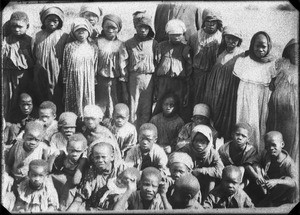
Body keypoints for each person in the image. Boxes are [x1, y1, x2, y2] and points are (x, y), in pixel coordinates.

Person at [233, 31, 277, 153]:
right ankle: (241, 150)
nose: (260, 49)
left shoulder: (272, 64)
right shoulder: (244, 61)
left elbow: (273, 83)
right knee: (245, 121)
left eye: (264, 46)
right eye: (257, 46)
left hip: (261, 100)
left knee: (259, 124)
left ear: (268, 47)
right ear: (252, 45)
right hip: (245, 99)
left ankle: (256, 151)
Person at [202, 26, 245, 140]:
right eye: (228, 38)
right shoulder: (218, 51)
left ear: (239, 40)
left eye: (235, 39)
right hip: (214, 90)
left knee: (228, 117)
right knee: (213, 114)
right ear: (224, 38)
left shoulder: (242, 55)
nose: (231, 41)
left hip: (230, 92)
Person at [120, 11, 158, 129]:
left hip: (149, 79)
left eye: (146, 27)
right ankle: (133, 136)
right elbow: (123, 66)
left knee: (146, 108)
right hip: (134, 79)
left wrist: (156, 86)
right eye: (140, 27)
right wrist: (124, 88)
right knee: (133, 108)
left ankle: (144, 134)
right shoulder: (128, 44)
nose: (143, 30)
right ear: (135, 27)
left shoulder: (154, 43)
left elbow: (158, 64)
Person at [153, 19, 192, 122]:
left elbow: (188, 70)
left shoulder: (185, 48)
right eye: (173, 35)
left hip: (179, 83)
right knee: (160, 104)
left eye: (179, 35)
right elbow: (156, 66)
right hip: (163, 82)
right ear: (168, 34)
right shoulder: (161, 46)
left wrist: (187, 90)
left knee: (179, 106)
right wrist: (156, 87)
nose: (177, 37)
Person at [67, 141, 125, 211]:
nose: (100, 160)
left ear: (112, 157)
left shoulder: (121, 170)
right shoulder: (92, 172)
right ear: (93, 158)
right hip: (96, 208)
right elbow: (79, 199)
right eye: (97, 157)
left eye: (103, 157)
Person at [267, 39, 299, 162]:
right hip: (276, 109)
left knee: (290, 136)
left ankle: (288, 162)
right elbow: (271, 82)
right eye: (294, 51)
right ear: (288, 52)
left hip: (293, 112)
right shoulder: (281, 63)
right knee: (275, 133)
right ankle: (272, 161)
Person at [32, 5, 68, 114]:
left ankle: (56, 117)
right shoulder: (37, 35)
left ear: (60, 22)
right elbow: (33, 53)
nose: (52, 23)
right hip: (40, 71)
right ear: (43, 21)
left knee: (56, 93)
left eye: (55, 21)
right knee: (41, 93)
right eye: (48, 20)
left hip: (57, 71)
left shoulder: (64, 36)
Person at [177, 124, 224, 202]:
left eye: (203, 141)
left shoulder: (212, 153)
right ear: (192, 140)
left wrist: (201, 171)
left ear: (208, 142)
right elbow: (178, 165)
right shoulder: (186, 150)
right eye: (196, 141)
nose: (199, 144)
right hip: (188, 180)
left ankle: (207, 202)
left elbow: (221, 171)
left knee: (211, 180)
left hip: (205, 181)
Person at [62, 18, 98, 118]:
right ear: (74, 33)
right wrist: (65, 79)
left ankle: (86, 121)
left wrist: (93, 78)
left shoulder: (93, 47)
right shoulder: (69, 46)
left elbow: (95, 64)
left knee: (87, 100)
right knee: (74, 101)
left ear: (88, 32)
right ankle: (74, 121)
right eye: (78, 31)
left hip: (88, 79)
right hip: (73, 79)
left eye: (84, 31)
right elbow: (65, 64)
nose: (81, 33)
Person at [2, 11, 34, 119]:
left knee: (25, 99)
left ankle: (25, 121)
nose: (16, 29)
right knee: (10, 99)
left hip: (26, 76)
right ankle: (10, 121)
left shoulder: (30, 41)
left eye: (20, 26)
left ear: (27, 26)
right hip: (9, 76)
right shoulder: (6, 40)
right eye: (13, 26)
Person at [188, 8, 223, 105]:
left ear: (218, 23)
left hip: (214, 76)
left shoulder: (221, 38)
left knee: (211, 101)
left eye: (214, 22)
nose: (211, 24)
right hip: (198, 75)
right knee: (196, 99)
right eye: (208, 21)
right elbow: (189, 57)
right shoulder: (195, 37)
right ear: (204, 21)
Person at [254, 131, 298, 207]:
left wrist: (276, 181)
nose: (271, 148)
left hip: (281, 194)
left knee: (287, 179)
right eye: (267, 146)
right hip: (266, 188)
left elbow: (295, 182)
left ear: (282, 144)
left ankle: (268, 202)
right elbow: (255, 162)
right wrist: (259, 174)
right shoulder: (265, 153)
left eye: (274, 145)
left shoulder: (288, 163)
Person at [95, 14, 126, 118]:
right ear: (103, 27)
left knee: (115, 100)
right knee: (101, 102)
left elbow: (123, 63)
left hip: (116, 80)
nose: (110, 30)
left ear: (118, 29)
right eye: (108, 27)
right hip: (100, 79)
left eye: (114, 28)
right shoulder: (97, 42)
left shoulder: (121, 44)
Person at [49, 133, 88, 211]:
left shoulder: (83, 162)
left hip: (72, 187)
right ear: (67, 149)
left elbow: (75, 181)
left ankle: (63, 208)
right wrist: (54, 156)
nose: (74, 154)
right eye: (71, 150)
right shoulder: (64, 158)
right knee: (49, 179)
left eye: (78, 151)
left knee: (69, 187)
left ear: (84, 150)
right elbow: (49, 171)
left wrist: (81, 164)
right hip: (60, 182)